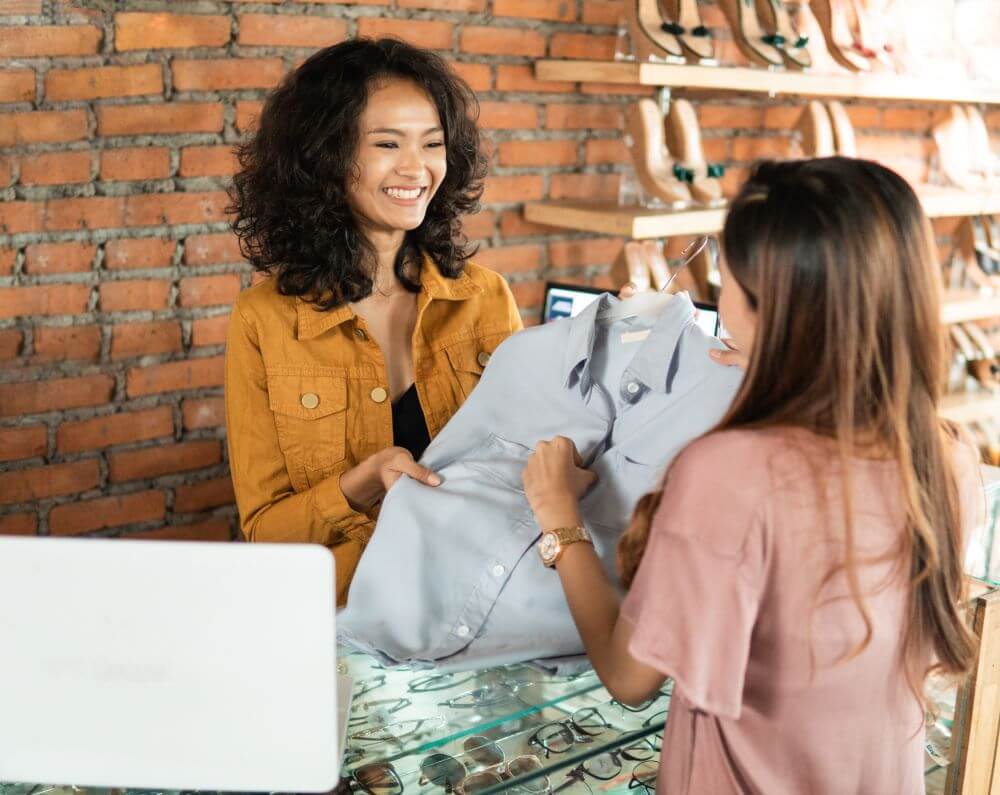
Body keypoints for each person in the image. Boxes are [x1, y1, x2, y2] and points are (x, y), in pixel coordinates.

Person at [521, 157, 984, 793]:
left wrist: (560, 521)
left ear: (769, 305)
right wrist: (771, 369)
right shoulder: (946, 460)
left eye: (729, 281)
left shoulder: (731, 474)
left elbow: (630, 678)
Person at [224, 39, 522, 605]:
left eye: (432, 144)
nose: (416, 169)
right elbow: (265, 531)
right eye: (388, 144)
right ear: (325, 158)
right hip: (345, 624)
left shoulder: (486, 298)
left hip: (480, 604)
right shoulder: (263, 321)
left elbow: (527, 469)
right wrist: (363, 481)